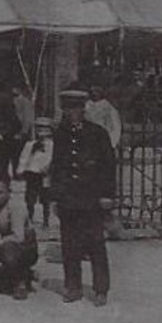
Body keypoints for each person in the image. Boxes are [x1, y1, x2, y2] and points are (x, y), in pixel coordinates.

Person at [48, 87, 117, 306]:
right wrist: (55, 197)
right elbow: (57, 167)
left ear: (83, 108)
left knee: (96, 243)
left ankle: (101, 289)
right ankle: (73, 287)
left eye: (76, 108)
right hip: (69, 198)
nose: (71, 113)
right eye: (67, 108)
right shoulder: (60, 134)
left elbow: (108, 166)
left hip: (92, 198)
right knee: (69, 244)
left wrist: (107, 195)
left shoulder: (97, 133)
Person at [16, 117, 56, 227]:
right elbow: (24, 157)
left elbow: (53, 158)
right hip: (32, 173)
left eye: (45, 129)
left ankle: (46, 220)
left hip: (44, 174)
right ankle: (30, 218)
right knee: (30, 197)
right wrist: (21, 169)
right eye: (39, 129)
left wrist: (48, 167)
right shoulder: (30, 144)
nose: (42, 132)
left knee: (45, 198)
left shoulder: (52, 145)